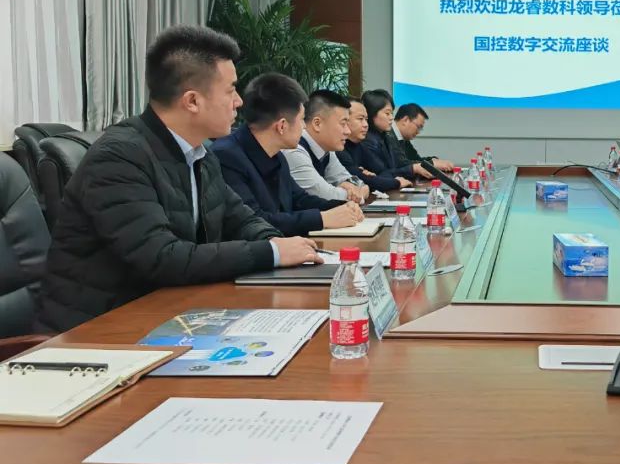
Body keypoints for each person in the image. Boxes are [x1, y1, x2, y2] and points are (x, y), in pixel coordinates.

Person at [36, 26, 320, 333]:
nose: (238, 101)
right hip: (97, 331)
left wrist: (277, 242)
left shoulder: (200, 153)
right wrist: (272, 253)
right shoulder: (119, 156)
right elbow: (162, 257)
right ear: (192, 101)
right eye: (230, 90)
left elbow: (240, 217)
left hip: (166, 313)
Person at [212, 74, 364, 236]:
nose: (304, 128)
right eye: (302, 120)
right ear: (282, 126)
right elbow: (255, 221)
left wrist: (341, 206)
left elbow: (299, 199)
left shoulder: (277, 155)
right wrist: (322, 219)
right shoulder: (227, 156)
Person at [283, 90, 370, 204]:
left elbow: (353, 181)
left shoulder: (326, 149)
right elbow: (326, 195)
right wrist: (358, 193)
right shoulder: (294, 150)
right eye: (343, 124)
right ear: (317, 123)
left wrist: (358, 188)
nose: (348, 131)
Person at [338, 95, 412, 193]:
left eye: (366, 119)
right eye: (360, 119)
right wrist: (396, 182)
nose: (365, 125)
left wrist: (371, 178)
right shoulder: (337, 148)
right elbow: (363, 181)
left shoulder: (359, 145)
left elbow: (384, 172)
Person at [355, 90, 433, 181]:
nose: (391, 118)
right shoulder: (368, 141)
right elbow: (383, 174)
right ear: (372, 113)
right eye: (387, 113)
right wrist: (413, 169)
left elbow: (395, 167)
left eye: (391, 113)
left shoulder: (384, 136)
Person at [392, 103, 454, 173]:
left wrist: (432, 160)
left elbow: (415, 159)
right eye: (418, 127)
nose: (418, 132)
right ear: (405, 120)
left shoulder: (403, 138)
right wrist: (432, 163)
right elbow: (400, 164)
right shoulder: (387, 136)